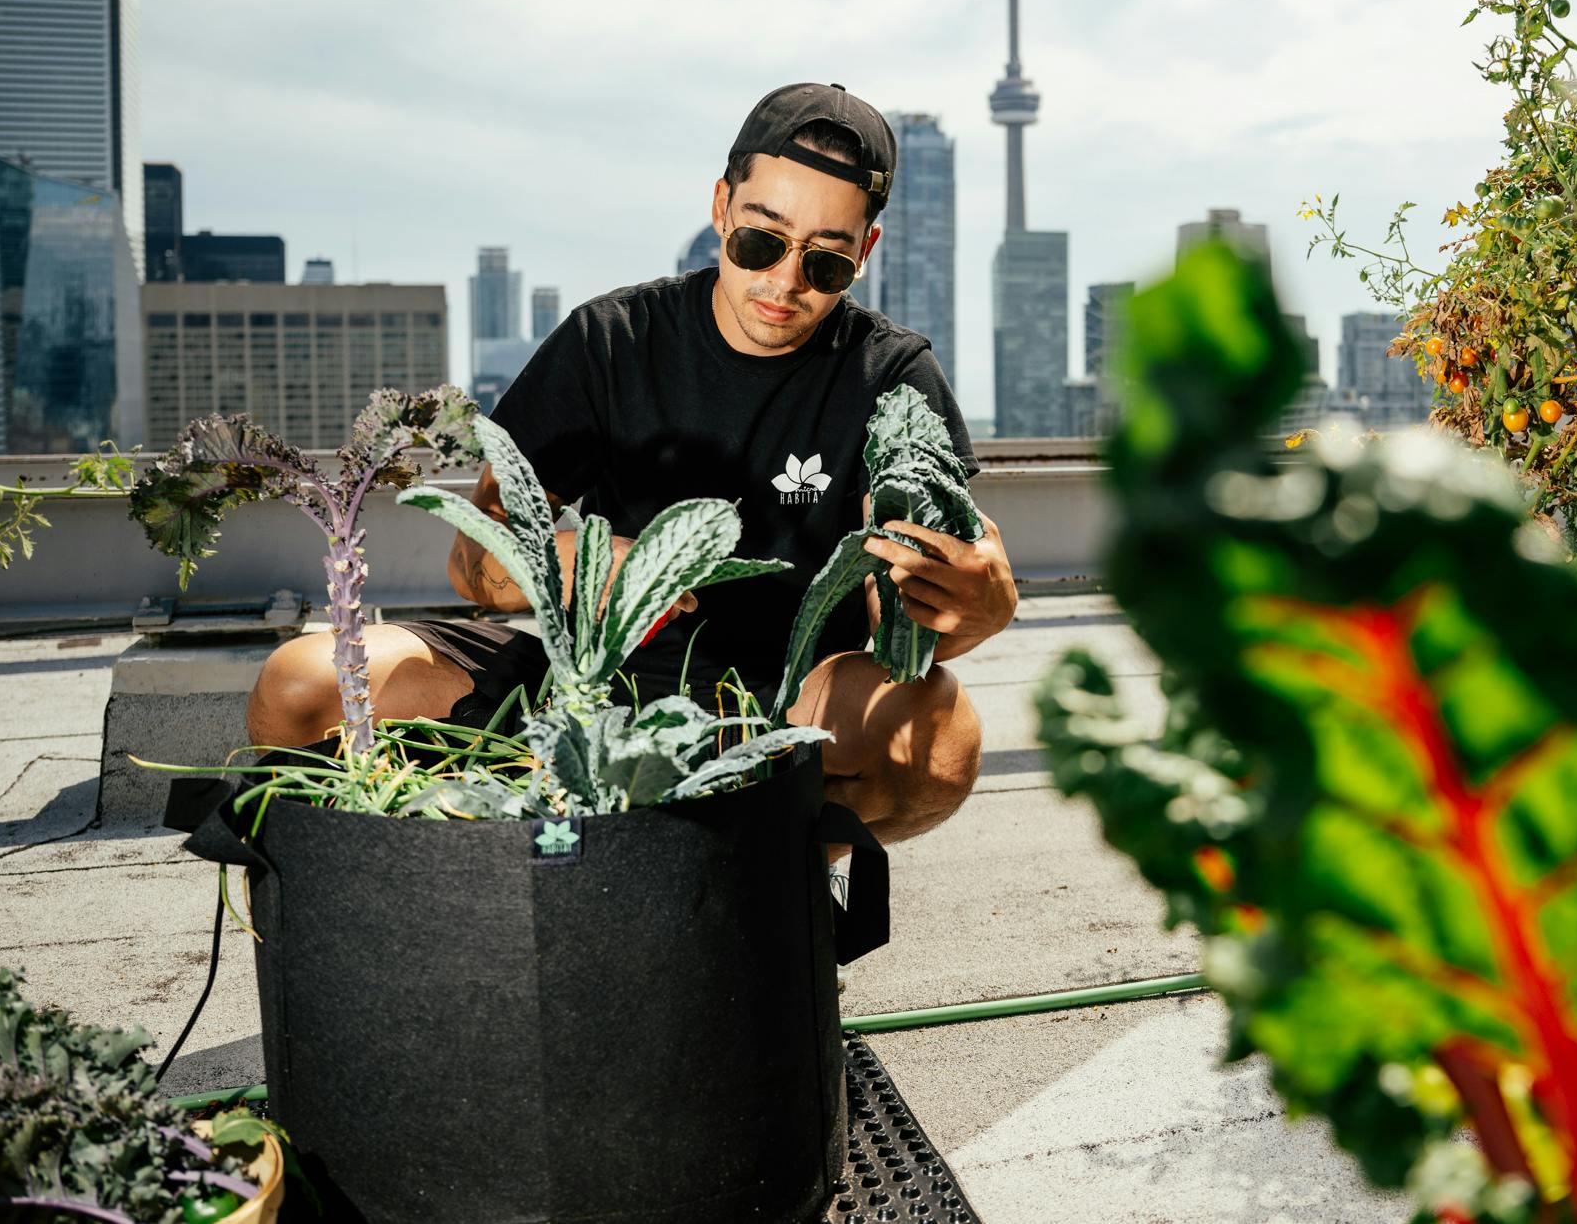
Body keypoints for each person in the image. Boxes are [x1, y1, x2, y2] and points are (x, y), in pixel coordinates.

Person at [245, 83, 1014, 844]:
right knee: (299, 686)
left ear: (865, 252)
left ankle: (790, 899)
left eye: (826, 263)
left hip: (787, 699)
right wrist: (571, 566)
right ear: (721, 207)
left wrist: (973, 613)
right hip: (587, 683)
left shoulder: (891, 376)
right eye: (760, 241)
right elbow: (470, 557)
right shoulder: (609, 340)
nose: (783, 281)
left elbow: (907, 616)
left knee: (937, 741)